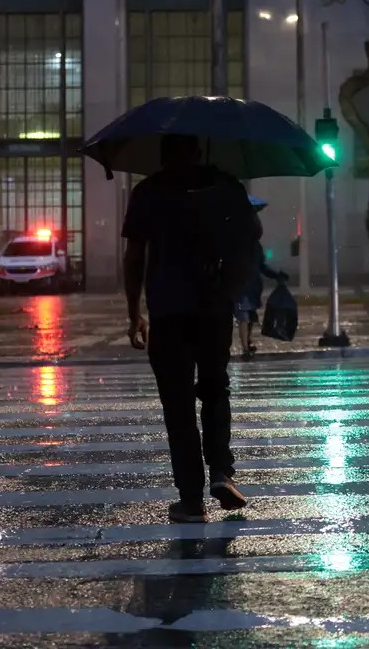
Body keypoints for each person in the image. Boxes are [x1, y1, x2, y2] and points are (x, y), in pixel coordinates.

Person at [122, 134, 258, 524]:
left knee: (178, 405)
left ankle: (190, 500)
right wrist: (229, 289)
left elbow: (134, 257)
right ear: (200, 151)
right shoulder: (227, 187)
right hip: (213, 308)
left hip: (167, 311)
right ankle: (222, 472)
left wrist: (134, 313)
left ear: (163, 156)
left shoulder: (149, 191)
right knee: (215, 388)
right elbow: (253, 238)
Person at [236, 214, 288, 361]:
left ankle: (247, 342)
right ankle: (245, 348)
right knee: (243, 317)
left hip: (252, 287)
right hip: (241, 286)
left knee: (250, 316)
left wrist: (277, 275)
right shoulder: (238, 245)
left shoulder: (255, 246)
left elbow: (262, 266)